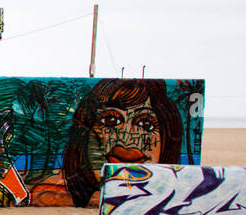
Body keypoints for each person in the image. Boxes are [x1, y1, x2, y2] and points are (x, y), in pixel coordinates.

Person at [31, 78, 182, 207]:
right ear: (84, 133)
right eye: (111, 120)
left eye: (145, 124)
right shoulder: (49, 191)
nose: (126, 140)